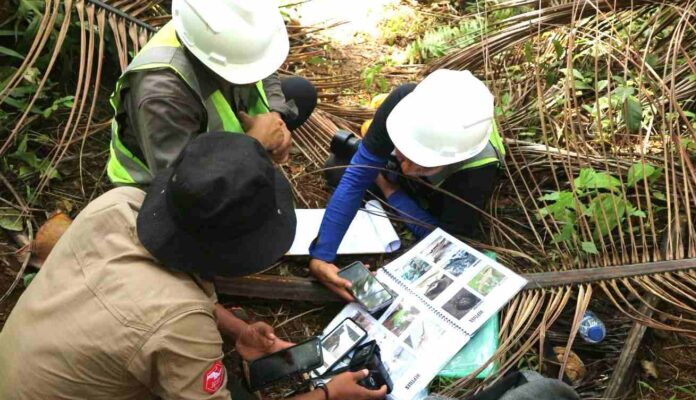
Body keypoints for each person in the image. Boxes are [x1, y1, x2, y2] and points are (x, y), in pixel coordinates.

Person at [0, 133, 385, 400]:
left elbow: (153, 291)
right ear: (240, 251)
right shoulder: (181, 327)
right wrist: (328, 393)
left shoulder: (117, 204)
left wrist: (238, 330)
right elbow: (169, 315)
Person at [309, 69, 506, 300]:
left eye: (422, 164)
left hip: (442, 195)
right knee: (337, 167)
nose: (407, 169)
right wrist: (321, 256)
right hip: (415, 184)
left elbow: (443, 241)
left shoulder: (478, 170)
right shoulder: (404, 104)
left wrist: (388, 189)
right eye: (404, 156)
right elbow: (356, 177)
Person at [107, 0, 317, 186]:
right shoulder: (161, 95)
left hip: (224, 143)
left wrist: (275, 117)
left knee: (300, 92)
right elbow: (184, 186)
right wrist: (253, 146)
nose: (255, 77)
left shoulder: (217, 33)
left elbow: (263, 65)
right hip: (160, 188)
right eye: (244, 69)